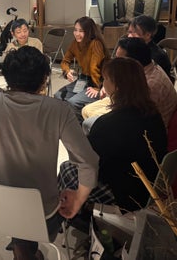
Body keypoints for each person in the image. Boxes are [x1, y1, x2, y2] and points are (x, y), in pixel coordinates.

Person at [0, 46, 99, 259]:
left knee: (21, 231)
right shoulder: (58, 109)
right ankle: (25, 250)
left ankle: (21, 249)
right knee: (41, 215)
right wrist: (78, 199)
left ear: (7, 78)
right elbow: (89, 162)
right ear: (44, 80)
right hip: (42, 214)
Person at [61, 57, 167, 212]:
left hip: (126, 195)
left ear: (116, 86)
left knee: (67, 169)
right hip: (151, 187)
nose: (103, 83)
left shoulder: (109, 124)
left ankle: (68, 214)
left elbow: (88, 163)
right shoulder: (153, 114)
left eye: (105, 79)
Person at [82, 37, 177, 130]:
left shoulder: (149, 85)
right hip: (129, 106)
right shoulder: (144, 68)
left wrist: (110, 91)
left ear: (132, 63)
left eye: (119, 60)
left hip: (145, 128)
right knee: (87, 110)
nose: (115, 62)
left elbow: (132, 115)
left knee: (91, 122)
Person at [54, 16, 108, 121]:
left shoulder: (96, 44)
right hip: (83, 79)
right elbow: (65, 61)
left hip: (99, 82)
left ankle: (80, 127)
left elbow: (94, 68)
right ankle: (68, 123)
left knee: (73, 102)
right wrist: (67, 71)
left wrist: (98, 87)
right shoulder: (75, 43)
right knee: (58, 96)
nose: (77, 33)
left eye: (81, 31)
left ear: (89, 32)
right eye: (75, 30)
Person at [127, 14, 172, 80]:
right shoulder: (136, 49)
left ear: (147, 35)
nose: (129, 36)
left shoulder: (156, 57)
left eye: (134, 33)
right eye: (129, 32)